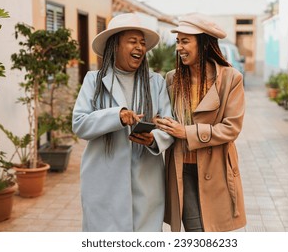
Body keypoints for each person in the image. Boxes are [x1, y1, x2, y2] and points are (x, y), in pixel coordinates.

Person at [72, 13, 174, 232]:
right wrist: (116, 116)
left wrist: (153, 138)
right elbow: (79, 124)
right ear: (115, 46)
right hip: (103, 182)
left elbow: (169, 123)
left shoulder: (155, 82)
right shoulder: (94, 81)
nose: (139, 47)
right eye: (132, 41)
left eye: (142, 43)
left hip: (146, 182)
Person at [156, 13, 246, 232]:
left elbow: (231, 127)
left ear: (204, 43)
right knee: (196, 231)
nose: (179, 48)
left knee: (212, 231)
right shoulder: (172, 79)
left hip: (217, 169)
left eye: (185, 41)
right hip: (181, 168)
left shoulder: (231, 79)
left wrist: (186, 132)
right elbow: (168, 120)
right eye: (178, 41)